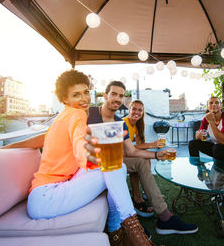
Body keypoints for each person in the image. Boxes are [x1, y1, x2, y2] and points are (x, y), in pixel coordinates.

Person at [26, 70, 154, 246]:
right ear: (65, 99)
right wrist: (88, 154)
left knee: (117, 166)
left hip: (49, 193)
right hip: (47, 198)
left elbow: (59, 138)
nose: (84, 98)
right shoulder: (76, 114)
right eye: (76, 94)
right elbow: (79, 142)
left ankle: (119, 232)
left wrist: (7, 147)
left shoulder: (64, 116)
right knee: (115, 166)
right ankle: (131, 233)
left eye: (86, 92)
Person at [85, 81, 198, 236]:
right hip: (88, 165)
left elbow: (131, 151)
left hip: (112, 165)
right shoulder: (88, 113)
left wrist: (158, 154)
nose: (117, 98)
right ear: (105, 96)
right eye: (113, 94)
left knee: (140, 162)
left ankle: (164, 217)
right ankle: (133, 210)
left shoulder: (119, 123)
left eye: (121, 95)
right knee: (121, 167)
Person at [188, 96, 224, 205]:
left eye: (217, 102)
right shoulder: (206, 118)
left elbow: (223, 140)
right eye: (211, 103)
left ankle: (223, 187)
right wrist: (198, 135)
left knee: (217, 148)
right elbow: (200, 133)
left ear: (221, 106)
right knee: (193, 143)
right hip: (218, 149)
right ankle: (201, 172)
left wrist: (211, 122)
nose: (214, 104)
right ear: (208, 107)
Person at [123, 100, 161, 217]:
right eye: (134, 109)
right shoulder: (124, 123)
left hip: (127, 154)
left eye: (140, 110)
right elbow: (129, 149)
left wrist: (152, 149)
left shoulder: (139, 124)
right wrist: (152, 145)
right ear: (129, 110)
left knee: (143, 156)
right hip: (119, 155)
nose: (137, 112)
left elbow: (139, 146)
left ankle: (144, 191)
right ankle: (137, 197)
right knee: (140, 159)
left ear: (143, 112)